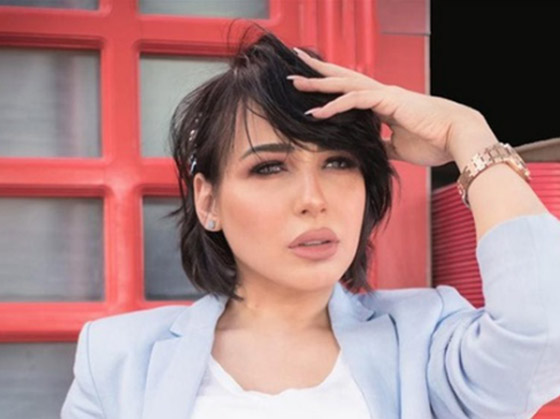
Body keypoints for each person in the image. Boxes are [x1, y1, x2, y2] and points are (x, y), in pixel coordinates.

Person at [61, 24, 560, 419]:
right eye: (269, 168)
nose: (313, 199)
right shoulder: (118, 359)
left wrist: (466, 132)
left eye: (338, 162)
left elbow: (543, 332)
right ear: (207, 201)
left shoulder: (425, 338)